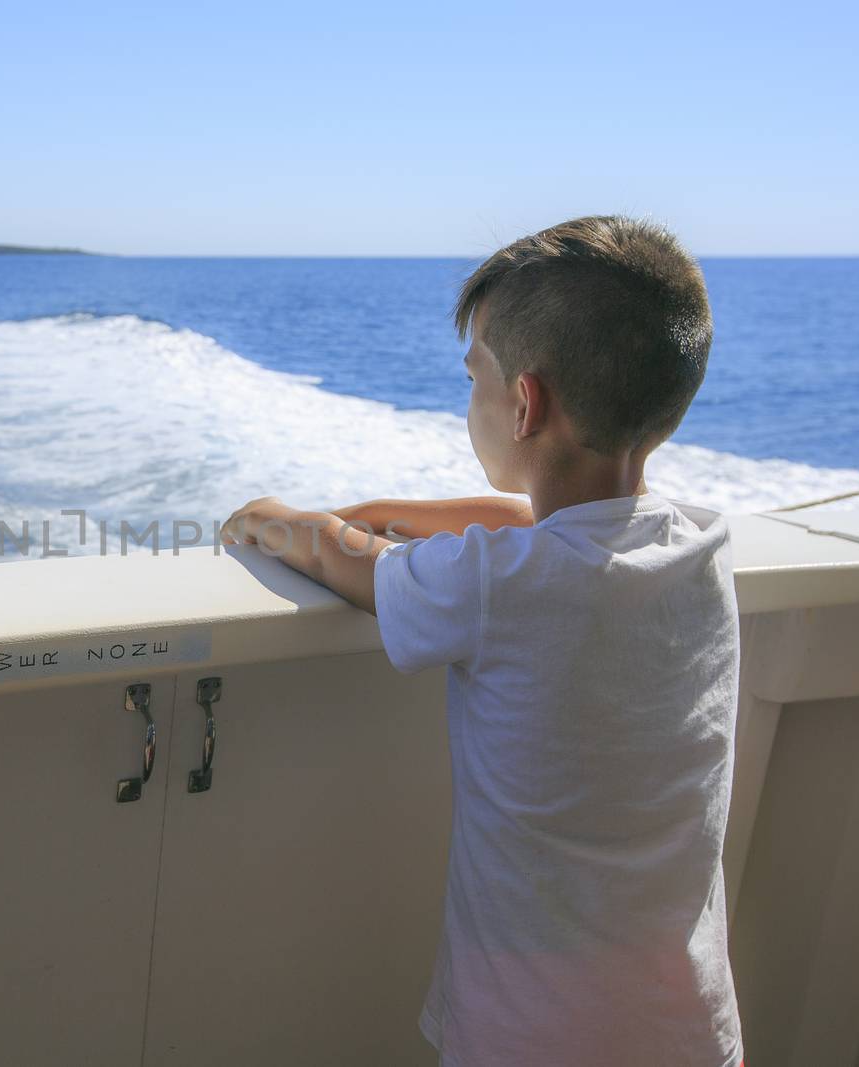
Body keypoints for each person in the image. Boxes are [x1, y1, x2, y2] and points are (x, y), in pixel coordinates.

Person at [221, 215, 745, 1067]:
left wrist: (276, 517)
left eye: (476, 379)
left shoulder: (494, 585)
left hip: (533, 1037)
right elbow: (533, 523)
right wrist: (381, 507)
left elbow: (339, 560)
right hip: (688, 1028)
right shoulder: (700, 549)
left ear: (524, 402)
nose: (470, 401)